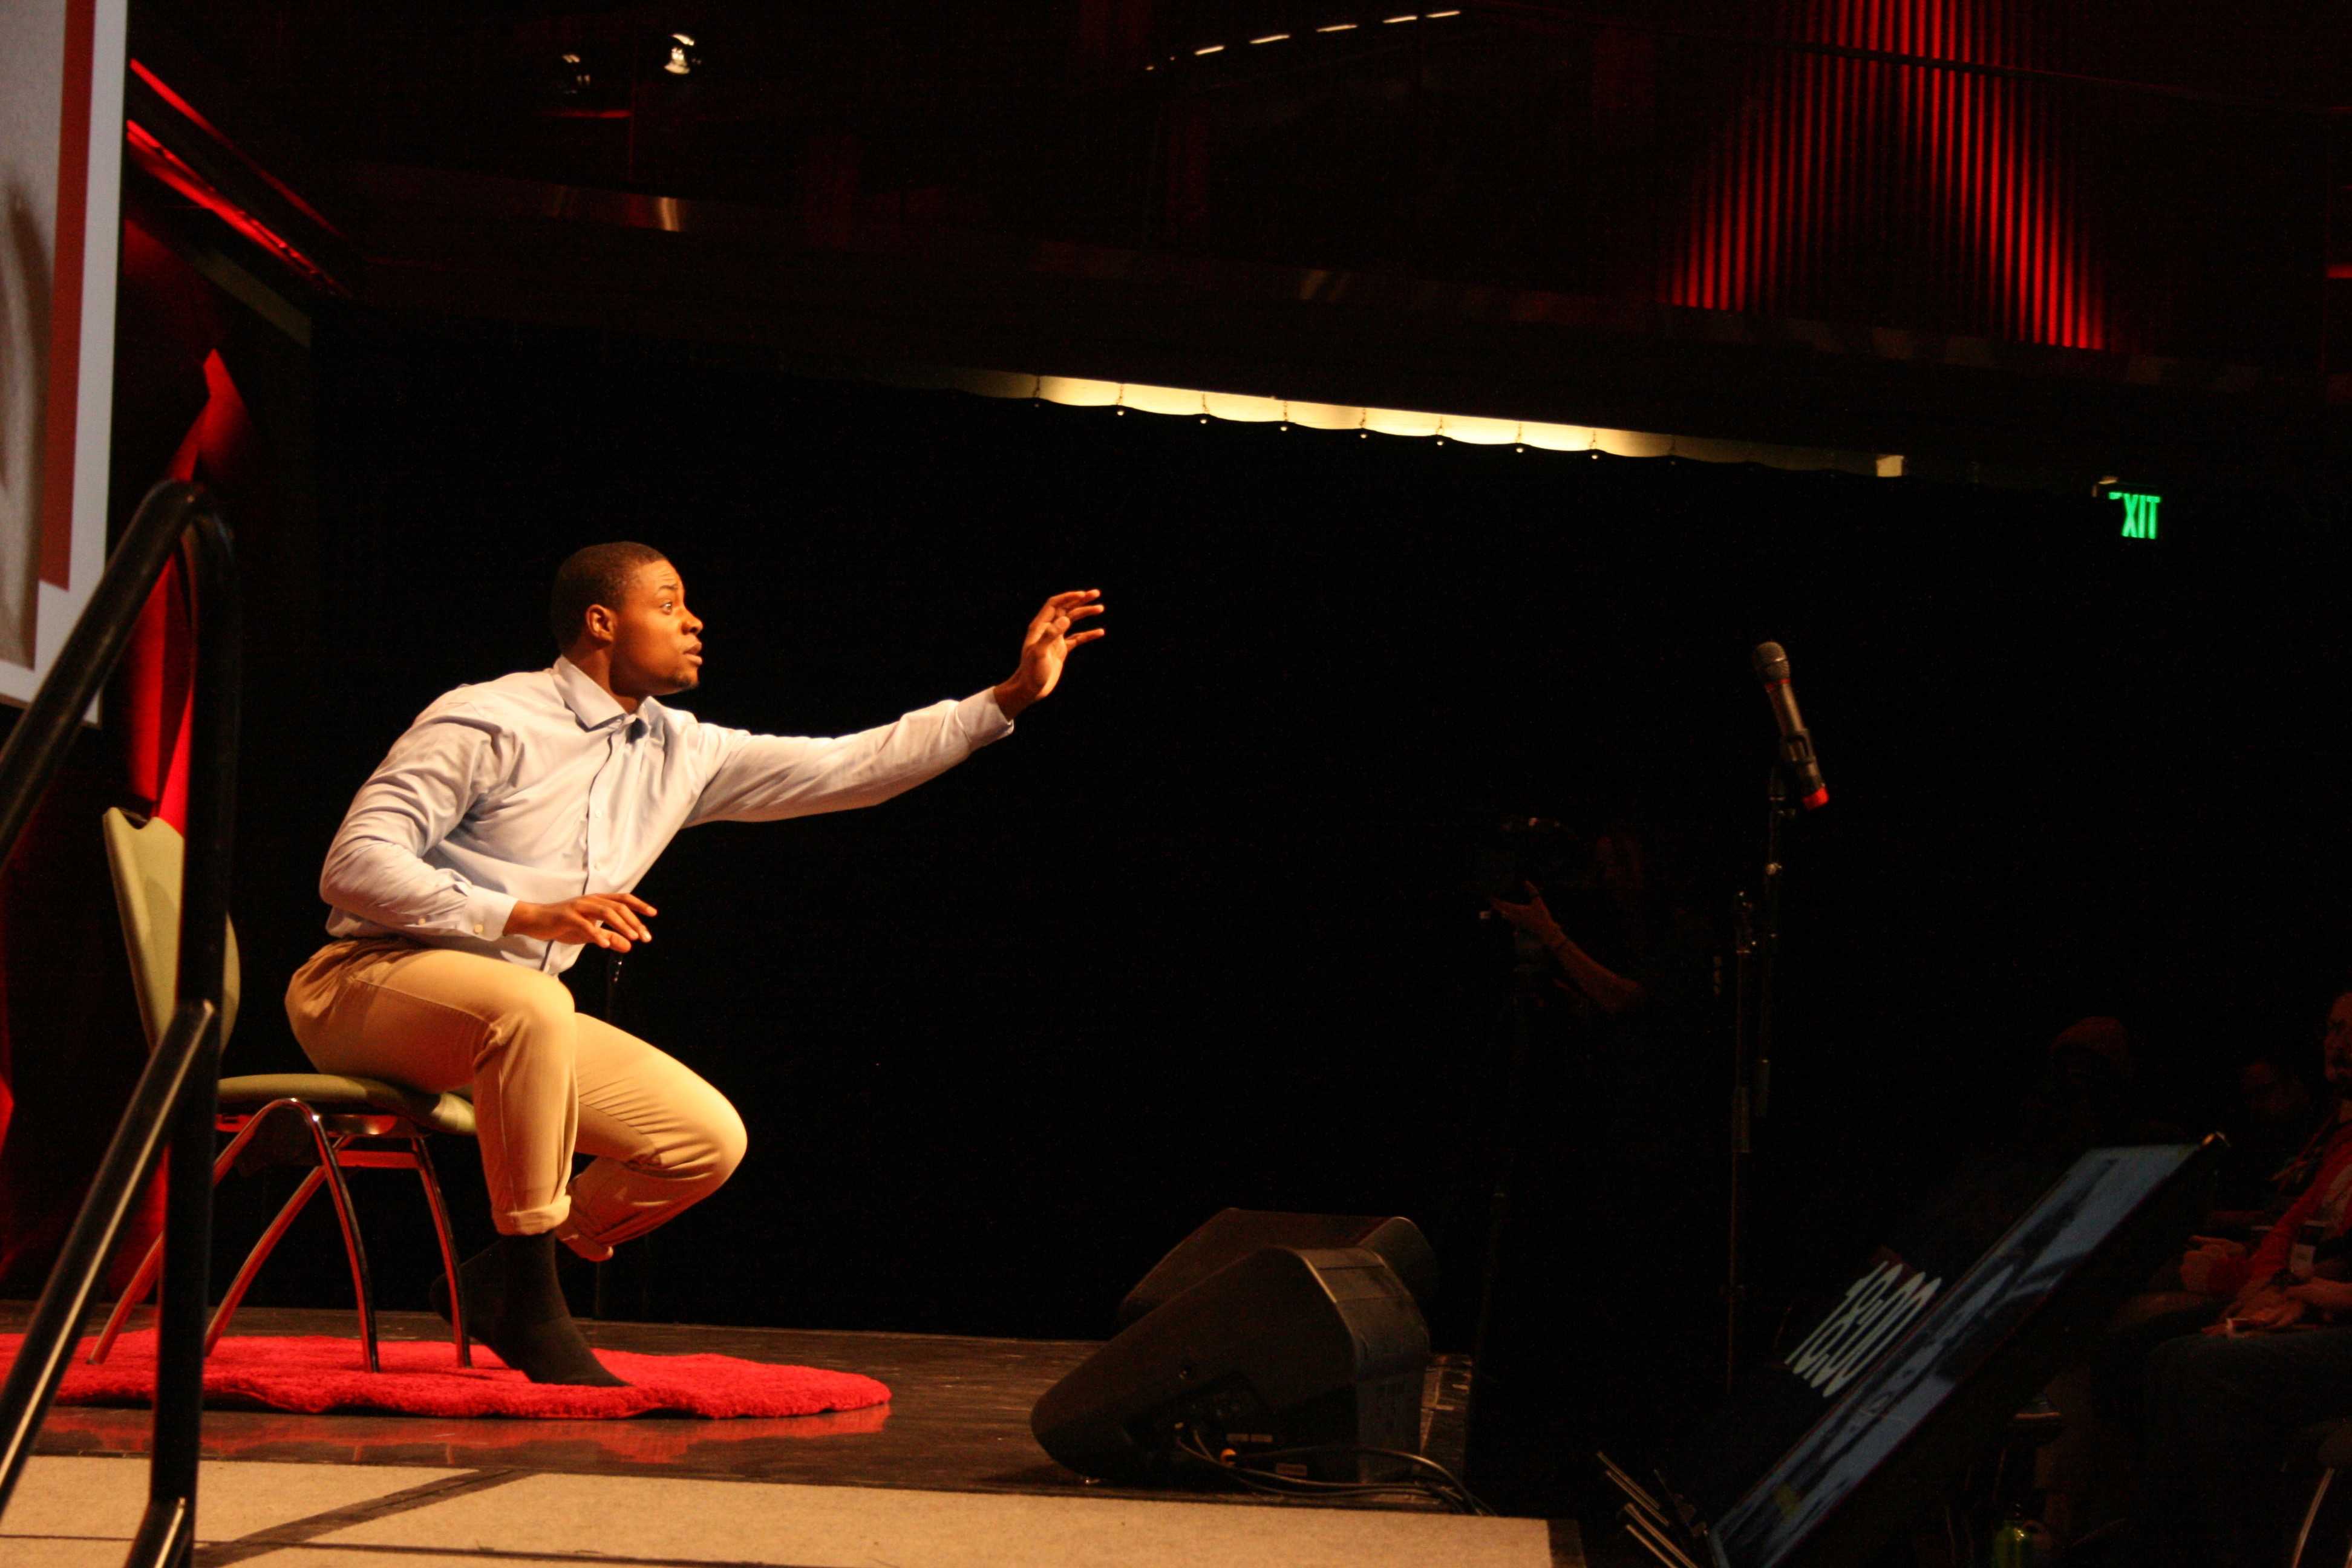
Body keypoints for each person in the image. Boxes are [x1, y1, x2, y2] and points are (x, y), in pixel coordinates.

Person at [284, 541, 1103, 1384]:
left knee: (702, 1140)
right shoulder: (491, 718)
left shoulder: (680, 750)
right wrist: (523, 913)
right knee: (531, 1008)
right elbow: (353, 866)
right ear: (602, 623)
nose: (695, 621)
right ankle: (533, 1307)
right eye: (670, 604)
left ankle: (500, 1280)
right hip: (366, 985)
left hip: (514, 1013)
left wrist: (1006, 698)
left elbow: (847, 765)